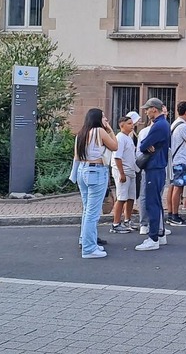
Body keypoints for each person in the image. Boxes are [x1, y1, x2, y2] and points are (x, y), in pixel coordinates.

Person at [74, 108, 118, 259]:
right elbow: (114, 146)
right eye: (103, 116)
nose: (106, 118)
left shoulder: (81, 133)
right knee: (92, 213)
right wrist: (110, 129)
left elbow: (76, 156)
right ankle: (89, 248)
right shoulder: (99, 131)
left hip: (82, 171)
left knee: (87, 210)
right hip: (96, 171)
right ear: (98, 118)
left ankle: (86, 240)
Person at [135, 98, 171, 251]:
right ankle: (160, 234)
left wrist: (146, 146)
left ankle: (153, 237)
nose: (145, 111)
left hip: (154, 167)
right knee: (156, 201)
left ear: (154, 109)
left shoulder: (158, 126)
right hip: (159, 166)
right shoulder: (164, 124)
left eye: (147, 109)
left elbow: (143, 145)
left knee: (152, 203)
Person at [109, 116, 138, 234]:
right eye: (129, 123)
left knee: (131, 197)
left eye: (132, 123)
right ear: (122, 125)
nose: (132, 125)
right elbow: (117, 157)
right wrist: (121, 173)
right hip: (123, 171)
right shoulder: (120, 138)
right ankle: (116, 223)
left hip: (131, 171)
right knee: (121, 197)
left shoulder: (128, 138)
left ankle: (127, 219)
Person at [167, 101, 186, 226]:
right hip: (181, 160)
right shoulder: (183, 126)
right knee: (179, 187)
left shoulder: (174, 124)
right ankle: (175, 216)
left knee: (172, 187)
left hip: (174, 159)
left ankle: (171, 213)